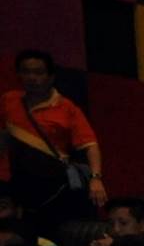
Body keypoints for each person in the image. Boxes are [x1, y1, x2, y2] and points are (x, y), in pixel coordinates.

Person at [4, 49, 104, 232]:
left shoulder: (67, 108)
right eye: (26, 72)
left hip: (53, 185)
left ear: (51, 77)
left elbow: (90, 145)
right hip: (20, 183)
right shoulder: (9, 100)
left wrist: (96, 179)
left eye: (38, 72)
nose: (31, 78)